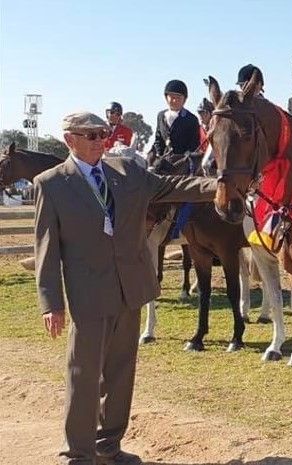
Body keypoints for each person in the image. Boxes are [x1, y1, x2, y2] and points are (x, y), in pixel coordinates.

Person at [34, 112, 218, 465]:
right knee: (84, 376)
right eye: (90, 135)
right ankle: (79, 454)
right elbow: (46, 249)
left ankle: (109, 446)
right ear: (69, 140)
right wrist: (50, 303)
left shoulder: (128, 172)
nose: (99, 140)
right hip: (89, 297)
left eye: (102, 134)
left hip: (131, 289)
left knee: (121, 374)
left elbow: (173, 186)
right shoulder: (51, 184)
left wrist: (220, 186)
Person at [151, 79, 201, 162]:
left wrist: (182, 159)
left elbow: (193, 145)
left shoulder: (192, 119)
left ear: (184, 99)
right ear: (166, 97)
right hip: (163, 161)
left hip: (182, 164)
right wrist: (159, 156)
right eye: (172, 97)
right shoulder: (161, 116)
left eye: (178, 98)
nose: (175, 101)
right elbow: (158, 140)